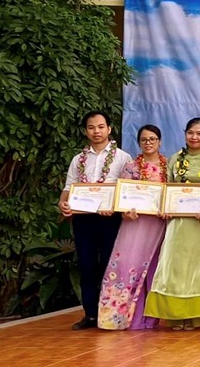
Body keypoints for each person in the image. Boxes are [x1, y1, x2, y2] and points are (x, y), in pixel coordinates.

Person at [59, 111, 132, 330]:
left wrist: (114, 206)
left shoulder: (123, 157)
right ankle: (90, 314)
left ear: (109, 129)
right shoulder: (78, 159)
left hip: (111, 219)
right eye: (91, 127)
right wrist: (62, 203)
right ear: (85, 131)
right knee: (87, 265)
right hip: (83, 219)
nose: (96, 131)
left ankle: (111, 315)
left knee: (110, 266)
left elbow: (127, 189)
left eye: (101, 127)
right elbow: (69, 187)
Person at [145, 117, 200, 330]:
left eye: (199, 133)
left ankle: (196, 316)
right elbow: (168, 187)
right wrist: (167, 207)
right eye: (190, 133)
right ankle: (175, 316)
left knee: (199, 267)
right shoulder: (175, 159)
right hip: (178, 221)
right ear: (185, 134)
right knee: (174, 266)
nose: (194, 137)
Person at [97, 125, 167, 330]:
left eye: (152, 139)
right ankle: (119, 317)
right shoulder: (131, 166)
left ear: (160, 142)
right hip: (134, 224)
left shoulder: (168, 166)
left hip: (158, 225)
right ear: (139, 143)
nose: (148, 143)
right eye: (144, 139)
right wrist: (125, 211)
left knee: (153, 268)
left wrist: (168, 209)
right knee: (127, 265)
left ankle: (150, 318)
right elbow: (123, 196)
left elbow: (172, 194)